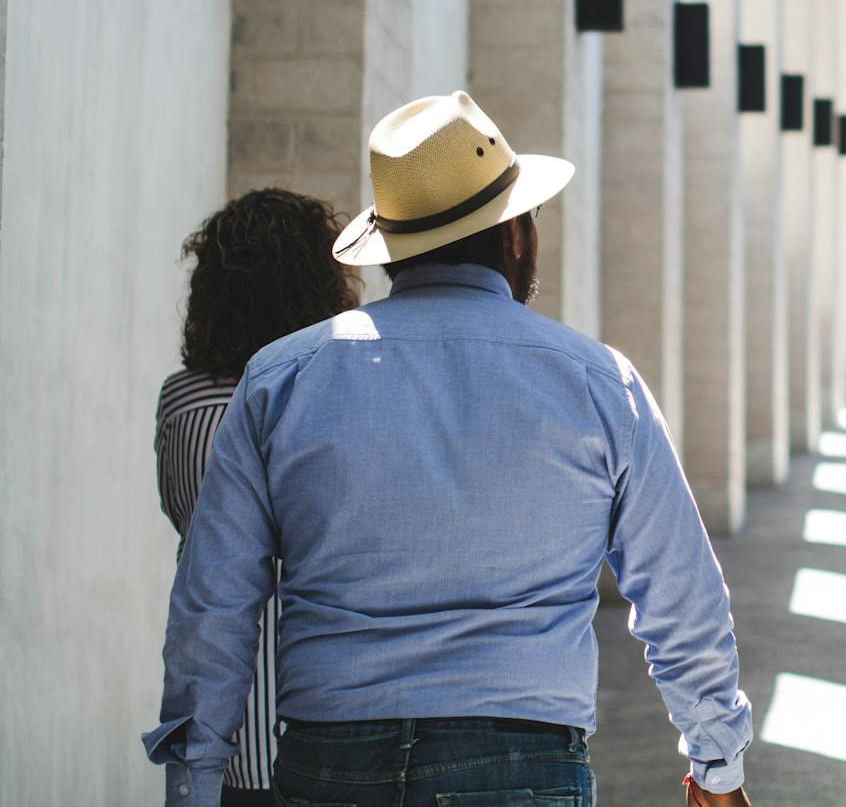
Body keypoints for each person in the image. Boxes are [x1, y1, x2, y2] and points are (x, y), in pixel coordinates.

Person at [144, 91, 755, 807]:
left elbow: (212, 604)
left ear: (391, 246)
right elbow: (681, 592)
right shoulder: (598, 382)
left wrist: (194, 785)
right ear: (517, 235)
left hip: (331, 761)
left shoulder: (283, 378)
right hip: (525, 761)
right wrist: (717, 766)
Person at [157, 189, 359, 806]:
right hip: (327, 721)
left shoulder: (183, 402)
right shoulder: (335, 398)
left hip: (224, 732)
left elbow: (188, 528)